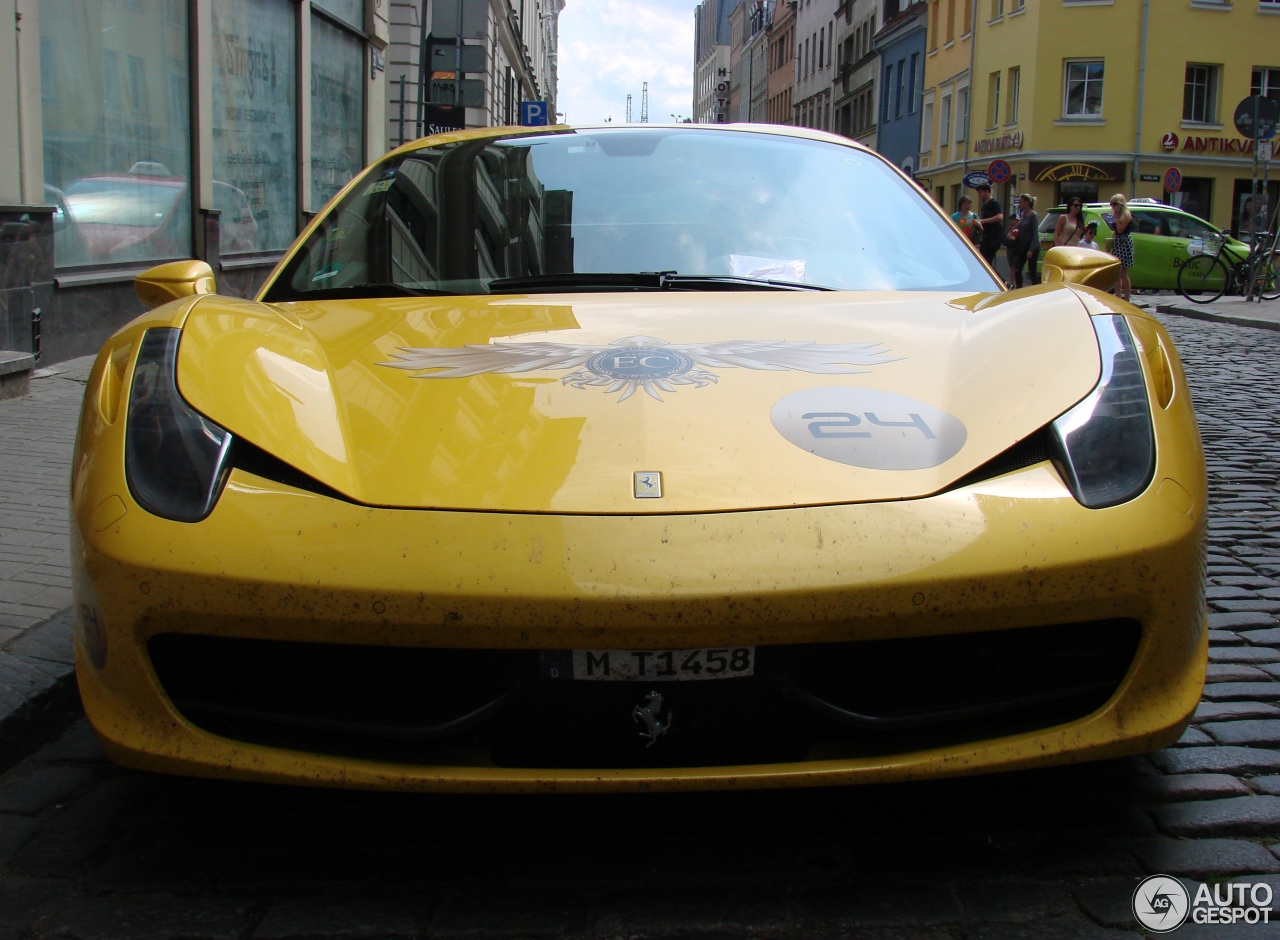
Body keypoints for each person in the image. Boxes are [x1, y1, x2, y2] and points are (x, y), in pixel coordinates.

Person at [1006, 193, 1040, 289]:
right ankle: (1019, 289)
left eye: (1021, 202)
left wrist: (1031, 250)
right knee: (1017, 268)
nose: (1019, 204)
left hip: (1031, 246)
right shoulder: (1023, 214)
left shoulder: (1033, 215)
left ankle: (1036, 290)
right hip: (1023, 246)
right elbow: (1020, 228)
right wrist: (1012, 233)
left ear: (1027, 202)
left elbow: (1035, 234)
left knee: (1032, 271)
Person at [1109, 193, 1134, 301]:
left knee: (1123, 272)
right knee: (1116, 273)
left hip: (1124, 242)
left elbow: (1120, 229)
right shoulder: (1117, 215)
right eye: (1111, 204)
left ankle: (1127, 297)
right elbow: (1115, 231)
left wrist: (1117, 218)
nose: (1113, 207)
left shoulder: (1126, 215)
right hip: (1118, 242)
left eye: (1114, 204)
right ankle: (1118, 296)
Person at [975, 183, 1004, 268]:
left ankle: (999, 280)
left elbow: (1000, 217)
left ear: (987, 191)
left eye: (980, 192)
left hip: (994, 237)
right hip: (986, 236)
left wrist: (983, 221)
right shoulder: (984, 205)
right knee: (983, 260)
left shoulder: (994, 203)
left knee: (987, 261)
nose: (979, 195)